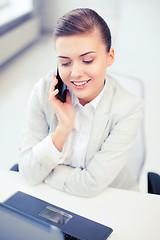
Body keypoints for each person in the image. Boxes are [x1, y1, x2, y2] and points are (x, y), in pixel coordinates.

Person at [19, 8, 144, 197]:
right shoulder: (44, 92)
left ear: (110, 57)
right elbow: (28, 173)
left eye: (87, 60)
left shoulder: (129, 108)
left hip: (110, 199)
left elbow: (91, 184)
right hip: (52, 197)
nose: (75, 73)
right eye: (65, 62)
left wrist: (45, 173)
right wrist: (64, 128)